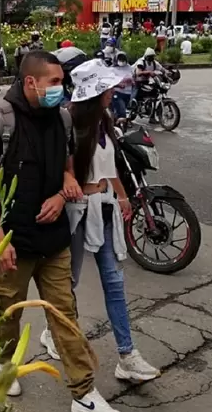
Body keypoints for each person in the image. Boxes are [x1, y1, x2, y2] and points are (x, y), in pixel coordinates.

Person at [0, 51, 120, 412]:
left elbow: (67, 166)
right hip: (15, 241)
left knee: (64, 314)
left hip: (54, 239)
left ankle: (84, 394)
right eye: (54, 82)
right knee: (9, 312)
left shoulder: (62, 119)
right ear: (30, 82)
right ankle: (2, 364)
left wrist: (63, 190)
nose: (61, 88)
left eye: (62, 81)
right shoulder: (0, 123)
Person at [39, 60, 159, 384]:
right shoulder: (69, 124)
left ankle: (127, 356)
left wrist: (121, 196)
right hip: (78, 213)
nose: (113, 91)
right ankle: (53, 332)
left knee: (115, 283)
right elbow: (63, 173)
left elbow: (111, 167)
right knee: (70, 282)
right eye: (107, 88)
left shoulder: (105, 121)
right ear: (94, 93)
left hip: (104, 208)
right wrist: (72, 187)